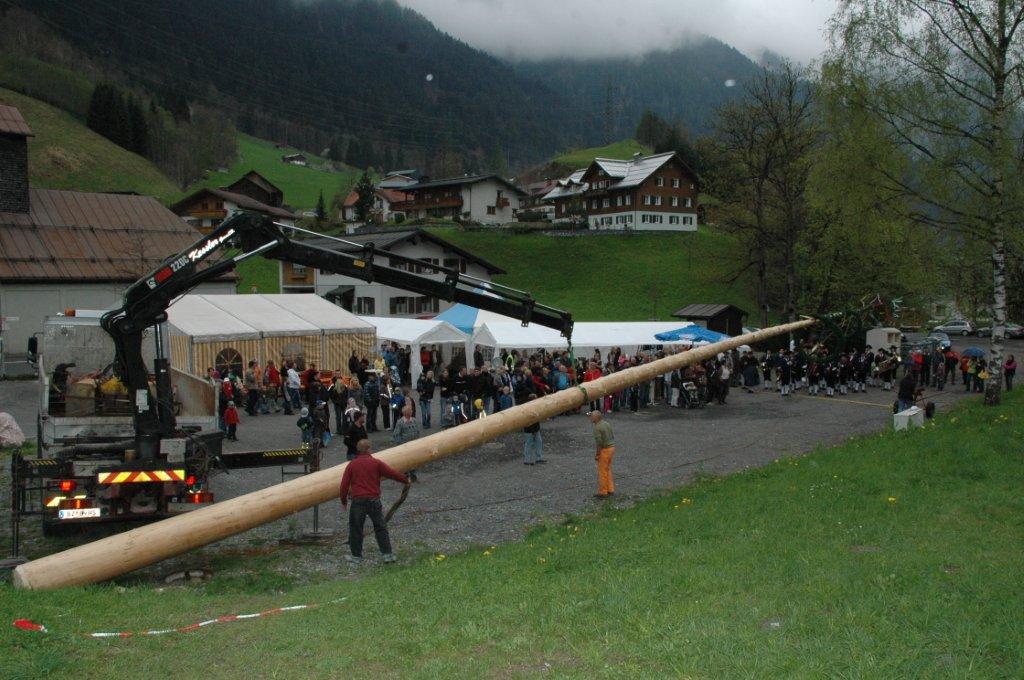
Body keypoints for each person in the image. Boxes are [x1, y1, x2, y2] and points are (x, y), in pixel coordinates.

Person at [339, 438, 410, 564]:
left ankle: (356, 556)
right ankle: (387, 555)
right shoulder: (376, 463)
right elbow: (392, 473)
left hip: (358, 501)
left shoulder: (352, 465)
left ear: (358, 450)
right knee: (380, 527)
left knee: (356, 528)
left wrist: (344, 501)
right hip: (373, 500)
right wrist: (406, 480)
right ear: (369, 449)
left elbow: (344, 485)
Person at [590, 410, 615, 499]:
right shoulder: (606, 423)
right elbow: (612, 435)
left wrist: (597, 454)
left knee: (602, 472)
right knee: (607, 469)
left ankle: (603, 492)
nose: (590, 418)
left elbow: (599, 443)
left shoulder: (597, 428)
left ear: (596, 418)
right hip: (612, 448)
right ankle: (610, 489)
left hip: (605, 450)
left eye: (591, 416)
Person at [522, 393, 544, 465]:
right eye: (536, 398)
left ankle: (538, 458)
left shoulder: (533, 407)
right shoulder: (529, 408)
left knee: (538, 442)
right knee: (529, 443)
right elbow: (529, 421)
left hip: (535, 429)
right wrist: (533, 431)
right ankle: (527, 460)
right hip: (530, 430)